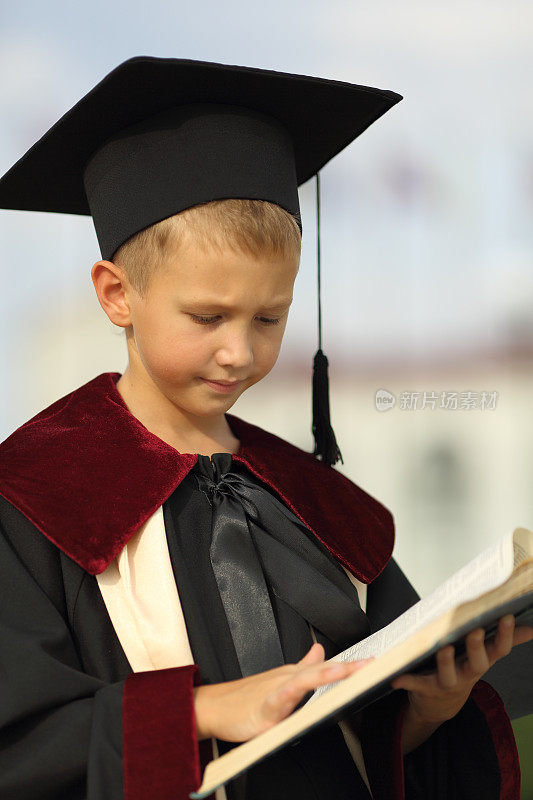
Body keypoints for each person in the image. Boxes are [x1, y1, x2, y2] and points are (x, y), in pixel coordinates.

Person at [0, 55, 531, 800]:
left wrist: (431, 709)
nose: (240, 352)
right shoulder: (32, 498)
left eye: (268, 318)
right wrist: (198, 712)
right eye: (206, 317)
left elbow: (365, 744)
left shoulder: (316, 503)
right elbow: (19, 744)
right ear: (117, 295)